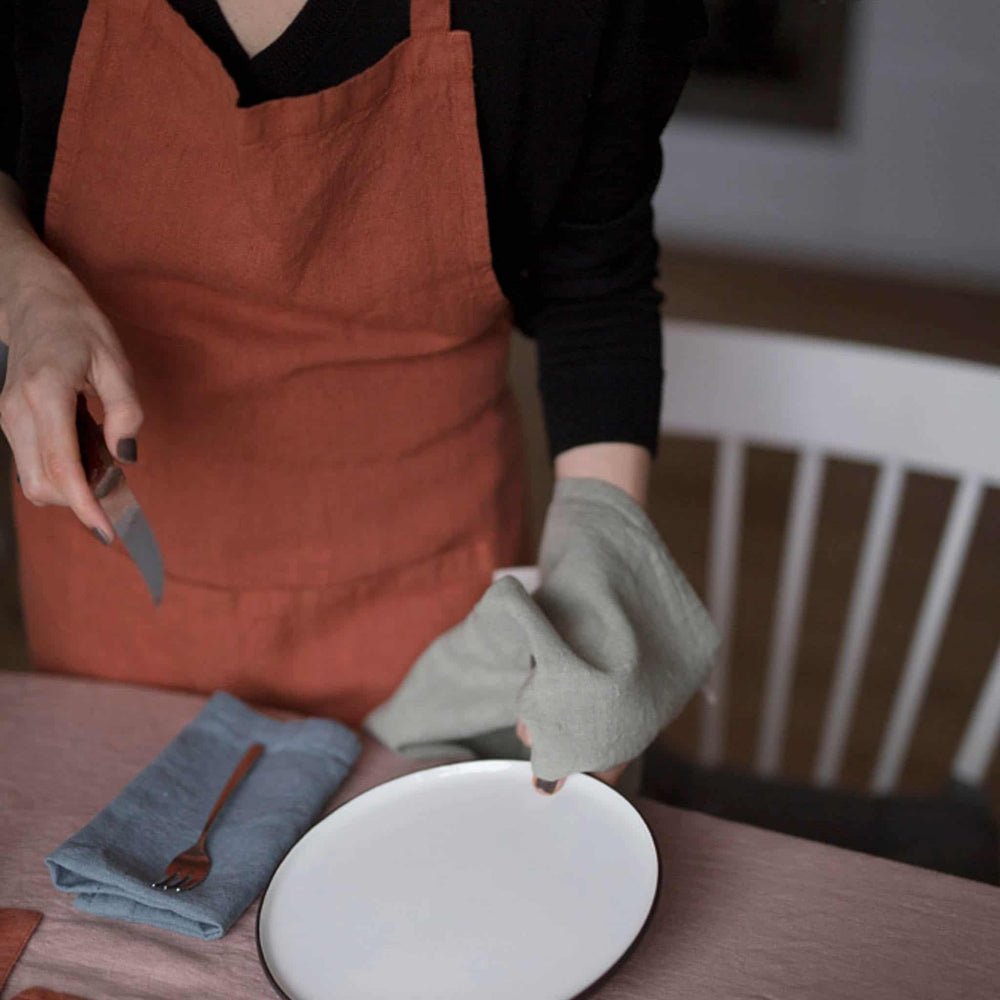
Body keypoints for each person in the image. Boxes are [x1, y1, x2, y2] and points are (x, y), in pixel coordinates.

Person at [0, 0, 706, 792]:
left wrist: (600, 588)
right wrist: (18, 281)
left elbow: (595, 285)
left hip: (430, 627)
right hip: (119, 617)